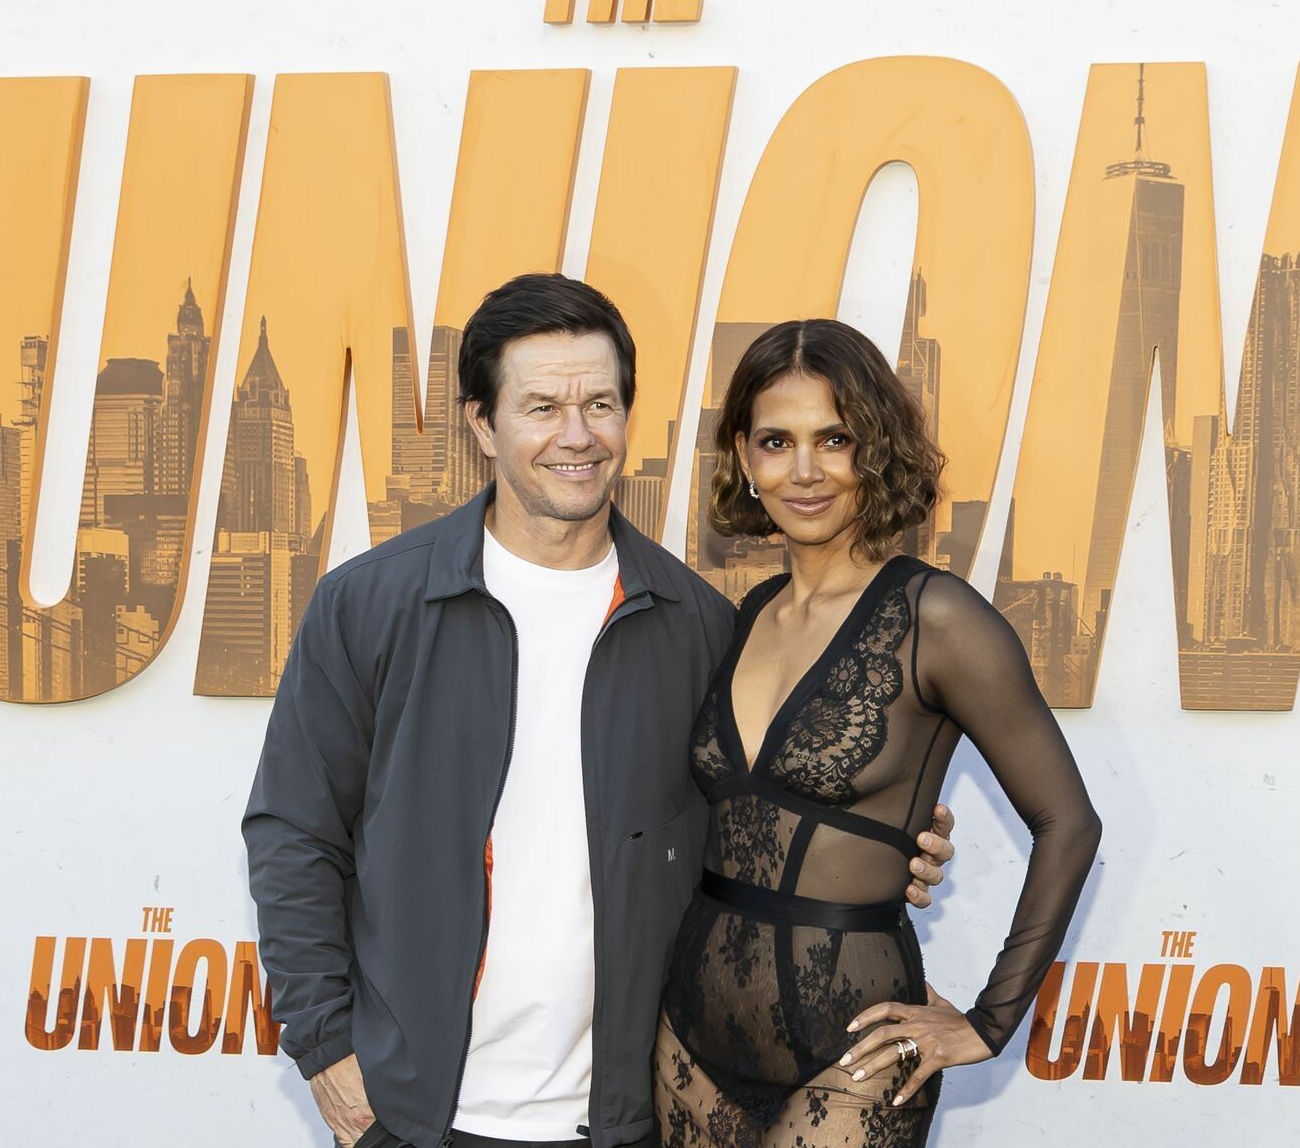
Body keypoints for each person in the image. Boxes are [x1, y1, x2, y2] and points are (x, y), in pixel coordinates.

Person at [242, 275, 959, 1148]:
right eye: (542, 406)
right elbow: (295, 832)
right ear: (482, 424)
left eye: (600, 404)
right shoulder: (371, 605)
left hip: (633, 1113)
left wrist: (877, 841)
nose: (576, 435)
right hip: (409, 1112)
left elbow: (754, 822)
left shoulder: (702, 626)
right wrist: (326, 1048)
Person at [654, 319, 1104, 1148]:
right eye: (776, 442)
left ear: (877, 451)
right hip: (689, 1037)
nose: (804, 471)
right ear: (745, 459)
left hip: (850, 1053)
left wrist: (990, 1022)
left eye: (835, 439)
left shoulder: (939, 618)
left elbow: (1068, 822)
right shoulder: (748, 615)